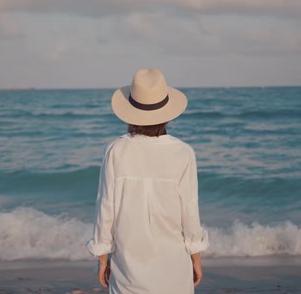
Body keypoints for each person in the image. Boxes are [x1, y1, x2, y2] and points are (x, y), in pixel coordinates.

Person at [86, 68, 209, 293]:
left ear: (130, 111)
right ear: (167, 112)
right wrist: (196, 258)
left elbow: (106, 209)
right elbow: (189, 212)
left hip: (127, 270)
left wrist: (103, 259)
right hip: (174, 269)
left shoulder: (116, 150)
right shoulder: (183, 152)